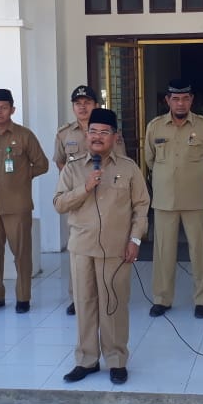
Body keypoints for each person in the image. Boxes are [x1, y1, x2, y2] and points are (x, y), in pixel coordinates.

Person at [54, 108, 149, 385]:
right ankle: (87, 360)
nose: (97, 137)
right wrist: (84, 188)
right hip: (82, 248)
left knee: (114, 306)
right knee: (84, 305)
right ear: (86, 135)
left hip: (116, 250)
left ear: (114, 137)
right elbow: (59, 203)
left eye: (103, 133)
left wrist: (135, 239)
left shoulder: (129, 168)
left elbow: (141, 206)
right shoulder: (72, 168)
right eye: (92, 132)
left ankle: (116, 360)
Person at [144, 79, 203, 319]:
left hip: (196, 199)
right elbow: (149, 161)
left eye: (185, 98)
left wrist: (191, 179)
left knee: (200, 252)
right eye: (175, 98)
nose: (180, 103)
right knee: (163, 252)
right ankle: (162, 299)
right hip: (165, 201)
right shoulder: (155, 127)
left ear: (191, 100)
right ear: (167, 100)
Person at [0, 88, 49, 314]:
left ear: (12, 109)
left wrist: (22, 177)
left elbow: (42, 164)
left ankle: (23, 297)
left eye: (4, 107)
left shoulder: (24, 136)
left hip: (17, 205)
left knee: (22, 254)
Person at [54, 85, 126, 316]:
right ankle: (78, 297)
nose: (82, 107)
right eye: (78, 103)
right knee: (78, 251)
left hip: (108, 196)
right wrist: (78, 185)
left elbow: (121, 164)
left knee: (107, 247)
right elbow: (60, 163)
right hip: (78, 200)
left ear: (96, 105)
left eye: (87, 102)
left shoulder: (111, 131)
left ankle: (107, 295)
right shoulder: (64, 133)